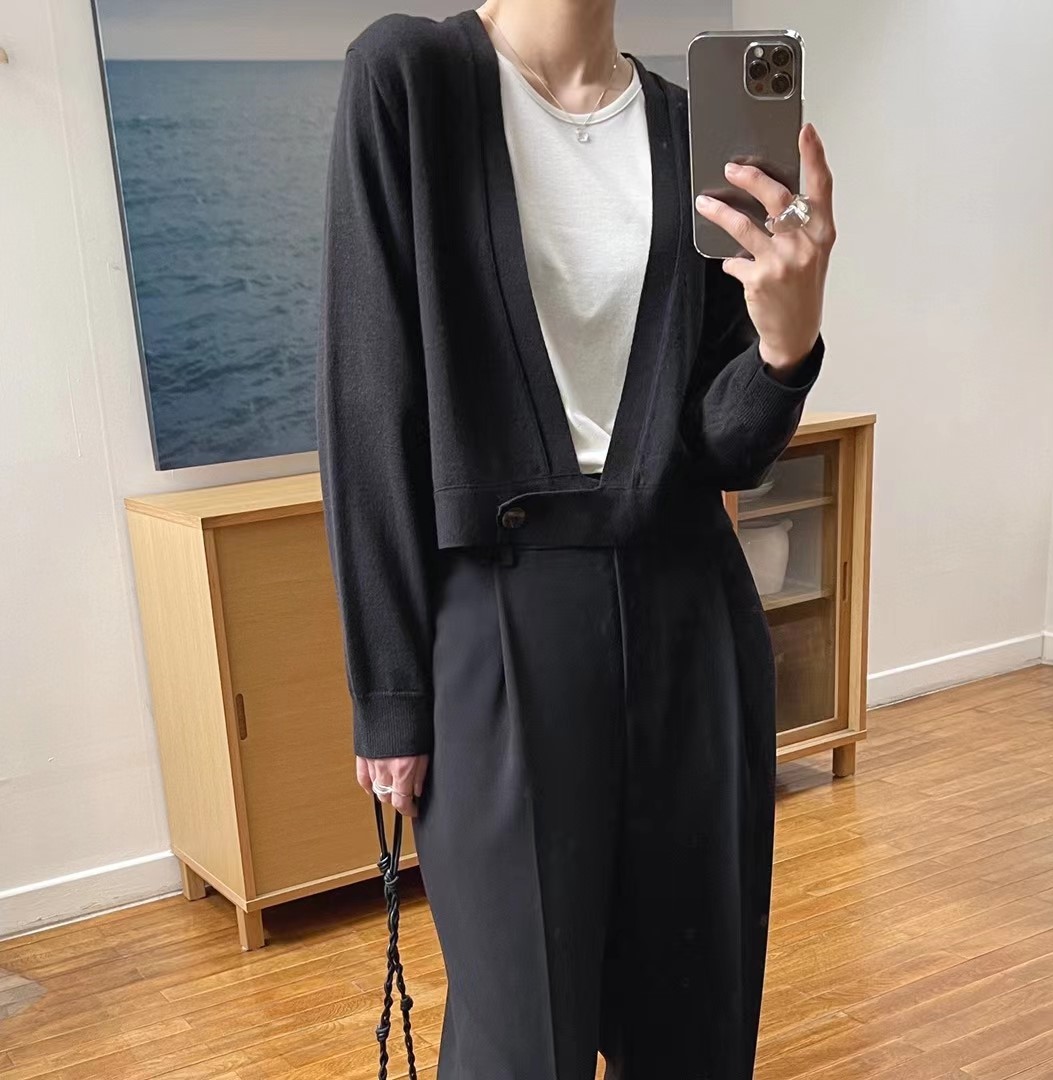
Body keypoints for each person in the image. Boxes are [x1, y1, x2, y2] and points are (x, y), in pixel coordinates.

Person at [315, 1, 835, 1076]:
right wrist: (391, 693)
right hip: (499, 619)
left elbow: (722, 448)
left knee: (696, 1031)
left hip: (690, 606)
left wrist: (786, 345)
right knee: (520, 1047)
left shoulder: (693, 130)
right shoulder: (409, 78)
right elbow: (368, 407)